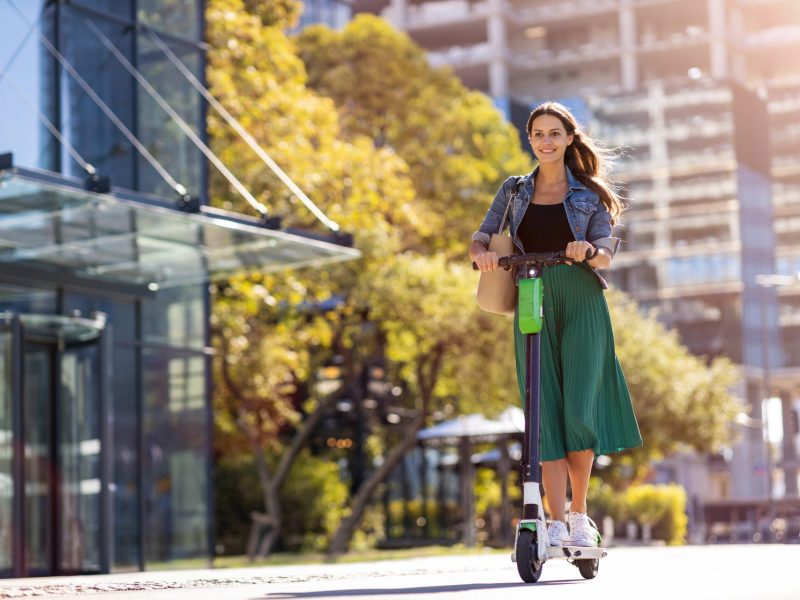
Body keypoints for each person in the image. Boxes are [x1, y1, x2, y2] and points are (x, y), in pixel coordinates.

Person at [470, 102, 642, 548]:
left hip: (581, 300)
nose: (546, 141)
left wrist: (588, 250)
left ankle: (579, 515)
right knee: (542, 411)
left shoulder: (589, 194)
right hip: (532, 295)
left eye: (554, 133)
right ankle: (554, 520)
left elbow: (606, 250)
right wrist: (482, 253)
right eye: (538, 134)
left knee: (579, 410)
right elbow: (482, 234)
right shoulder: (513, 191)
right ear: (530, 139)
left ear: (568, 138)